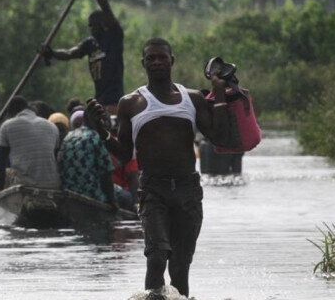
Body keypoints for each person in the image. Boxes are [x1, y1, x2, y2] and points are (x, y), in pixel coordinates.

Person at [85, 38, 229, 297]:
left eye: (162, 57)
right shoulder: (131, 103)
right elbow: (125, 152)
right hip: (153, 191)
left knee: (180, 267)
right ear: (143, 64)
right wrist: (102, 132)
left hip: (188, 191)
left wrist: (219, 95)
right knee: (157, 256)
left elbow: (218, 137)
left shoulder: (192, 99)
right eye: (151, 58)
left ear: (172, 61)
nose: (157, 62)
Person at [42, 0, 124, 115]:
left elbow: (106, 7)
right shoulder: (90, 43)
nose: (91, 29)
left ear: (103, 24)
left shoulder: (114, 36)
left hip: (114, 100)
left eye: (93, 25)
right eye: (89, 26)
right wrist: (52, 53)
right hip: (100, 99)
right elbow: (70, 53)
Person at [0, 96, 61, 204]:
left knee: (6, 171)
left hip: (27, 184)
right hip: (53, 184)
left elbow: (0, 163)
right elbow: (56, 160)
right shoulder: (52, 126)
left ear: (11, 113)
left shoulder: (7, 126)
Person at [58, 114, 117, 208]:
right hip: (92, 195)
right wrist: (112, 201)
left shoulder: (69, 136)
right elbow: (106, 174)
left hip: (69, 193)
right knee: (127, 197)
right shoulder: (97, 137)